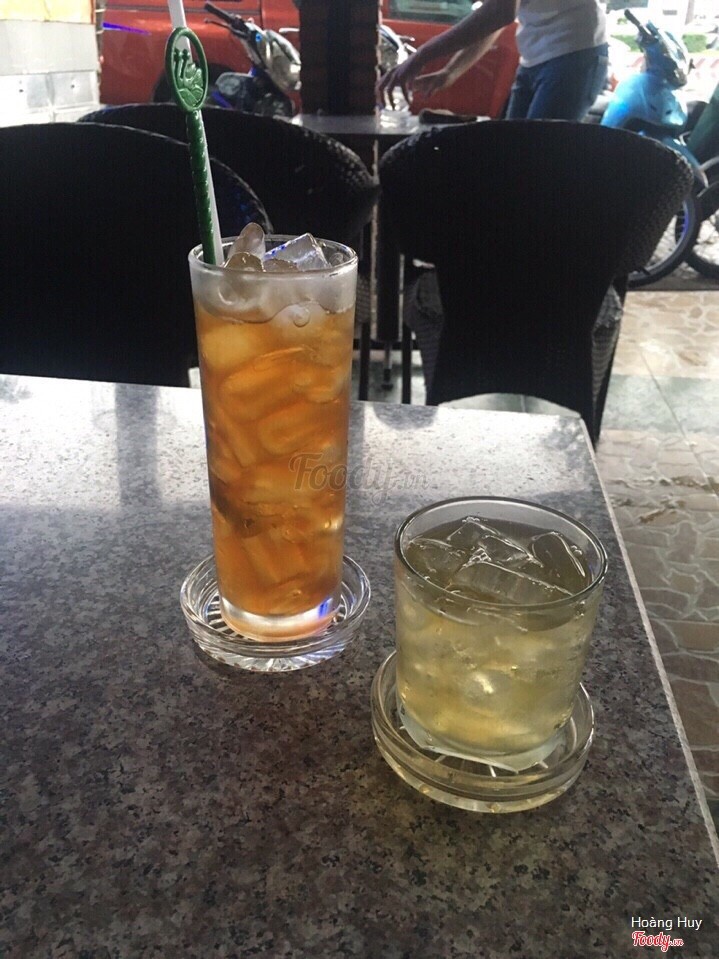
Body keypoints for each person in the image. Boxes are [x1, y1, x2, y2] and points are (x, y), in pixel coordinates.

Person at [377, 0, 609, 122]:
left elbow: (500, 12)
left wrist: (420, 56)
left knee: (539, 161)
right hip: (535, 58)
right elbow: (496, 17)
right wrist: (451, 71)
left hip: (574, 53)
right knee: (514, 154)